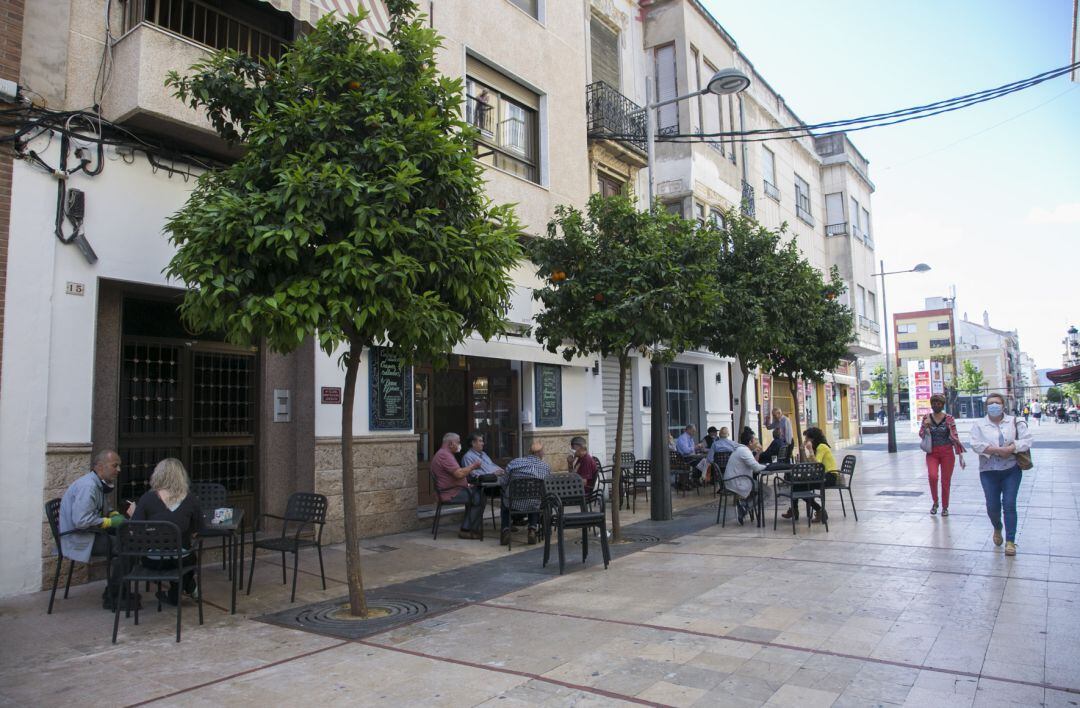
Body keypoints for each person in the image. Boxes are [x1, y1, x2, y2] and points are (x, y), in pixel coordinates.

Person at [58, 449, 136, 610]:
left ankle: (119, 588)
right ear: (100, 467)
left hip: (88, 533)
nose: (119, 470)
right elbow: (81, 521)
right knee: (127, 547)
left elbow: (104, 508)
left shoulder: (97, 483)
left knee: (128, 536)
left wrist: (113, 515)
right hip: (79, 538)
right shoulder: (88, 487)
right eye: (115, 466)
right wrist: (109, 522)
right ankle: (114, 596)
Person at [131, 458, 202, 605]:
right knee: (188, 556)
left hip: (152, 560)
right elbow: (198, 529)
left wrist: (133, 514)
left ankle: (181, 591)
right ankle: (186, 587)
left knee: (180, 555)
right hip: (180, 559)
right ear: (182, 476)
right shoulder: (190, 499)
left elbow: (136, 530)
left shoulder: (147, 498)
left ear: (158, 475)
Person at [969, 393, 1032, 556]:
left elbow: (1027, 440)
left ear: (1003, 405)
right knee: (992, 507)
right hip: (988, 471)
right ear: (986, 407)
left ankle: (1010, 541)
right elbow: (975, 444)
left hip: (1011, 469)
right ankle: (997, 527)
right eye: (990, 403)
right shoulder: (979, 424)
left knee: (1010, 504)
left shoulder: (1015, 421)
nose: (994, 406)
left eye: (997, 403)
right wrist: (997, 450)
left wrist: (1012, 448)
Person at [430, 432, 485, 539]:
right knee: (480, 497)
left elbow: (453, 476)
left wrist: (467, 484)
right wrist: (473, 466)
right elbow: (459, 474)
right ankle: (466, 530)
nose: (460, 445)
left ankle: (472, 527)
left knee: (476, 494)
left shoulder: (444, 454)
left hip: (452, 490)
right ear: (451, 443)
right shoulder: (444, 456)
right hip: (449, 493)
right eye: (458, 442)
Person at [919, 393, 966, 516]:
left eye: (938, 403)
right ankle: (935, 502)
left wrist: (960, 453)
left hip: (947, 452)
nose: (936, 405)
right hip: (932, 452)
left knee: (946, 481)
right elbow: (921, 434)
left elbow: (955, 435)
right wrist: (925, 427)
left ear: (942, 405)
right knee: (932, 476)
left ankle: (945, 507)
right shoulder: (926, 417)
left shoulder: (949, 418)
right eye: (934, 403)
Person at [501, 442, 552, 546]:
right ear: (540, 453)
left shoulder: (514, 463)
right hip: (534, 503)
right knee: (535, 499)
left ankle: (506, 530)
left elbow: (503, 482)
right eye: (543, 452)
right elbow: (547, 487)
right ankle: (532, 529)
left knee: (504, 501)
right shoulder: (546, 467)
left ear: (529, 452)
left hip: (513, 502)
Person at [723, 428, 767, 525]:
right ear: (750, 442)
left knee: (761, 489)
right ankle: (744, 507)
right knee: (766, 491)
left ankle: (744, 506)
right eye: (755, 440)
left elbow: (753, 463)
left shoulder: (743, 450)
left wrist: (758, 453)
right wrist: (767, 466)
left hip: (734, 479)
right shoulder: (744, 451)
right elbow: (756, 468)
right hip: (736, 481)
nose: (756, 441)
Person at [797, 427, 838, 523]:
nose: (806, 441)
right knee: (797, 486)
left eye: (807, 439)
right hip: (823, 476)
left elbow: (817, 465)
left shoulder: (821, 447)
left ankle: (819, 510)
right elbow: (810, 464)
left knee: (799, 487)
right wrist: (803, 450)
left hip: (829, 477)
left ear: (813, 439)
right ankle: (795, 510)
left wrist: (810, 450)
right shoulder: (817, 448)